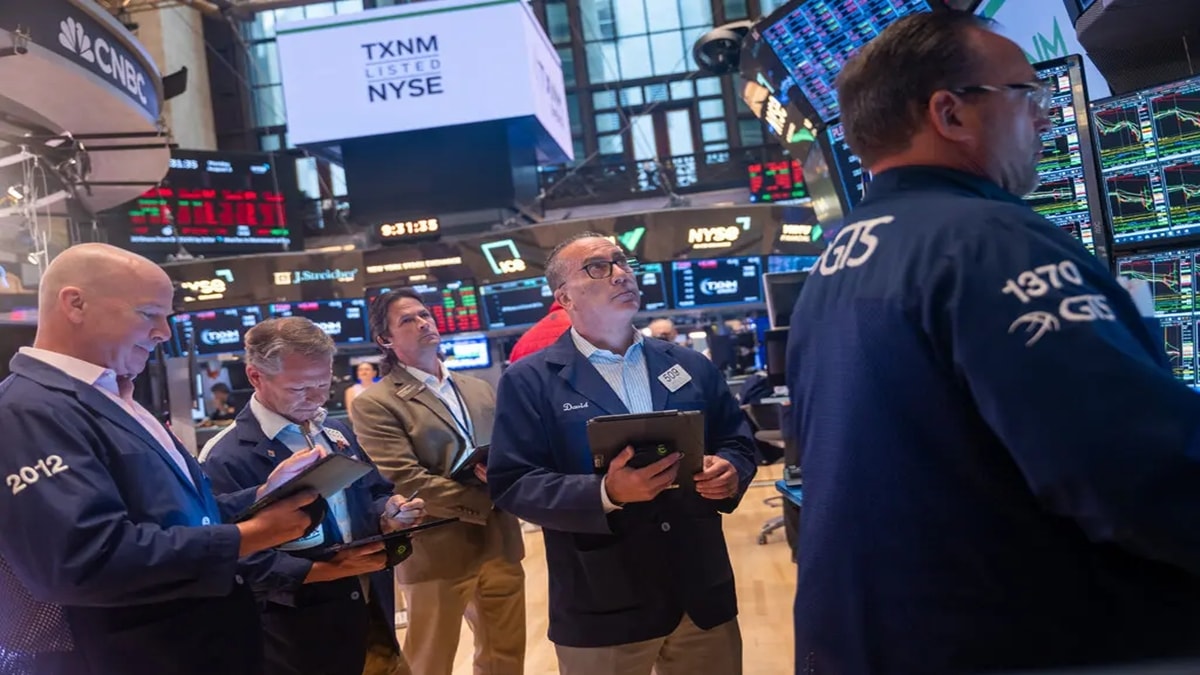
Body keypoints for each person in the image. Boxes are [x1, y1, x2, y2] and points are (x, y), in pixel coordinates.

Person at [787, 11, 1200, 674]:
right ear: (948, 112)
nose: (1044, 118)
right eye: (1025, 94)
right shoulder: (988, 240)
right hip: (1026, 641)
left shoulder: (836, 264)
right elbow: (1126, 466)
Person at [0, 243, 323, 675]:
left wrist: (259, 498)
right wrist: (249, 536)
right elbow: (83, 559)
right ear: (75, 303)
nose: (164, 333)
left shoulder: (115, 397)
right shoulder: (27, 409)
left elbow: (176, 519)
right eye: (149, 313)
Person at [488, 233, 758, 675]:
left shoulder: (689, 364)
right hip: (602, 601)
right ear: (564, 297)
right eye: (598, 267)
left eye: (622, 263)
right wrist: (606, 492)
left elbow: (737, 440)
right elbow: (512, 482)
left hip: (700, 594)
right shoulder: (529, 380)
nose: (620, 273)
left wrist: (732, 470)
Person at [200, 317, 425, 675]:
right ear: (255, 376)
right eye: (300, 388)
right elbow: (231, 556)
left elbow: (373, 490)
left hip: (371, 613)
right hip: (298, 637)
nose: (318, 398)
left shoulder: (333, 429)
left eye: (324, 384)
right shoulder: (225, 456)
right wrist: (324, 570)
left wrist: (389, 511)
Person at [350, 288, 526, 675]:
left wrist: (512, 478)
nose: (422, 323)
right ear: (385, 340)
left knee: (506, 658)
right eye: (407, 320)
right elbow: (406, 479)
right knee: (431, 662)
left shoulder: (478, 388)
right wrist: (490, 499)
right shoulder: (376, 402)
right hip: (437, 548)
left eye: (424, 314)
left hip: (500, 542)